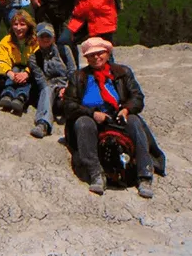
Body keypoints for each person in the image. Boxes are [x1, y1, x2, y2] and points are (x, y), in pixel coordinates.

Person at [64, 37, 165, 198]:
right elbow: (68, 105)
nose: (96, 57)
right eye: (92, 55)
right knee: (83, 123)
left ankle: (144, 175)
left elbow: (137, 97)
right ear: (87, 58)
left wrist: (126, 109)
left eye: (100, 53)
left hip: (118, 117)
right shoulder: (79, 77)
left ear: (108, 53)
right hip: (94, 119)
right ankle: (96, 173)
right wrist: (92, 113)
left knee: (134, 121)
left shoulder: (122, 73)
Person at [27, 22, 76, 139]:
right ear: (37, 38)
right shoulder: (34, 58)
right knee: (46, 89)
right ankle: (43, 124)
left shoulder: (64, 50)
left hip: (67, 84)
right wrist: (57, 89)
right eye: (42, 36)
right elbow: (41, 80)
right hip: (50, 88)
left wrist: (67, 88)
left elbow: (72, 71)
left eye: (48, 36)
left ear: (53, 37)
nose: (45, 39)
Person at [0, 10, 38, 115]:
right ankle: (8, 94)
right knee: (15, 69)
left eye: (22, 24)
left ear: (29, 26)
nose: (18, 28)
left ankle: (21, 97)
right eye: (15, 24)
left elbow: (37, 61)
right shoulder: (6, 41)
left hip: (29, 70)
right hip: (12, 70)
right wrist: (10, 73)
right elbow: (1, 61)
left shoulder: (35, 41)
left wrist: (27, 73)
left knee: (24, 72)